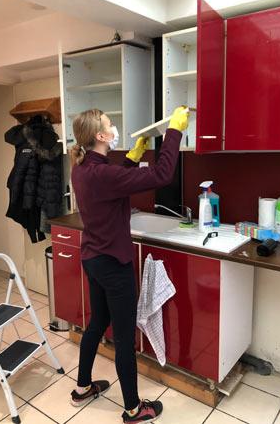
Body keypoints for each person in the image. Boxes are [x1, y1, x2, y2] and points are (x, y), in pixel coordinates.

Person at [69, 107, 189, 423]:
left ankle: (82, 388)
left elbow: (115, 181)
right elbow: (163, 175)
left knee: (96, 323)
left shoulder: (82, 168)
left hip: (93, 259)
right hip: (113, 263)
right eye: (110, 125)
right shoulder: (102, 174)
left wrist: (134, 156)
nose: (115, 128)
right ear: (100, 135)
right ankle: (134, 410)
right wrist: (173, 131)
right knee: (123, 338)